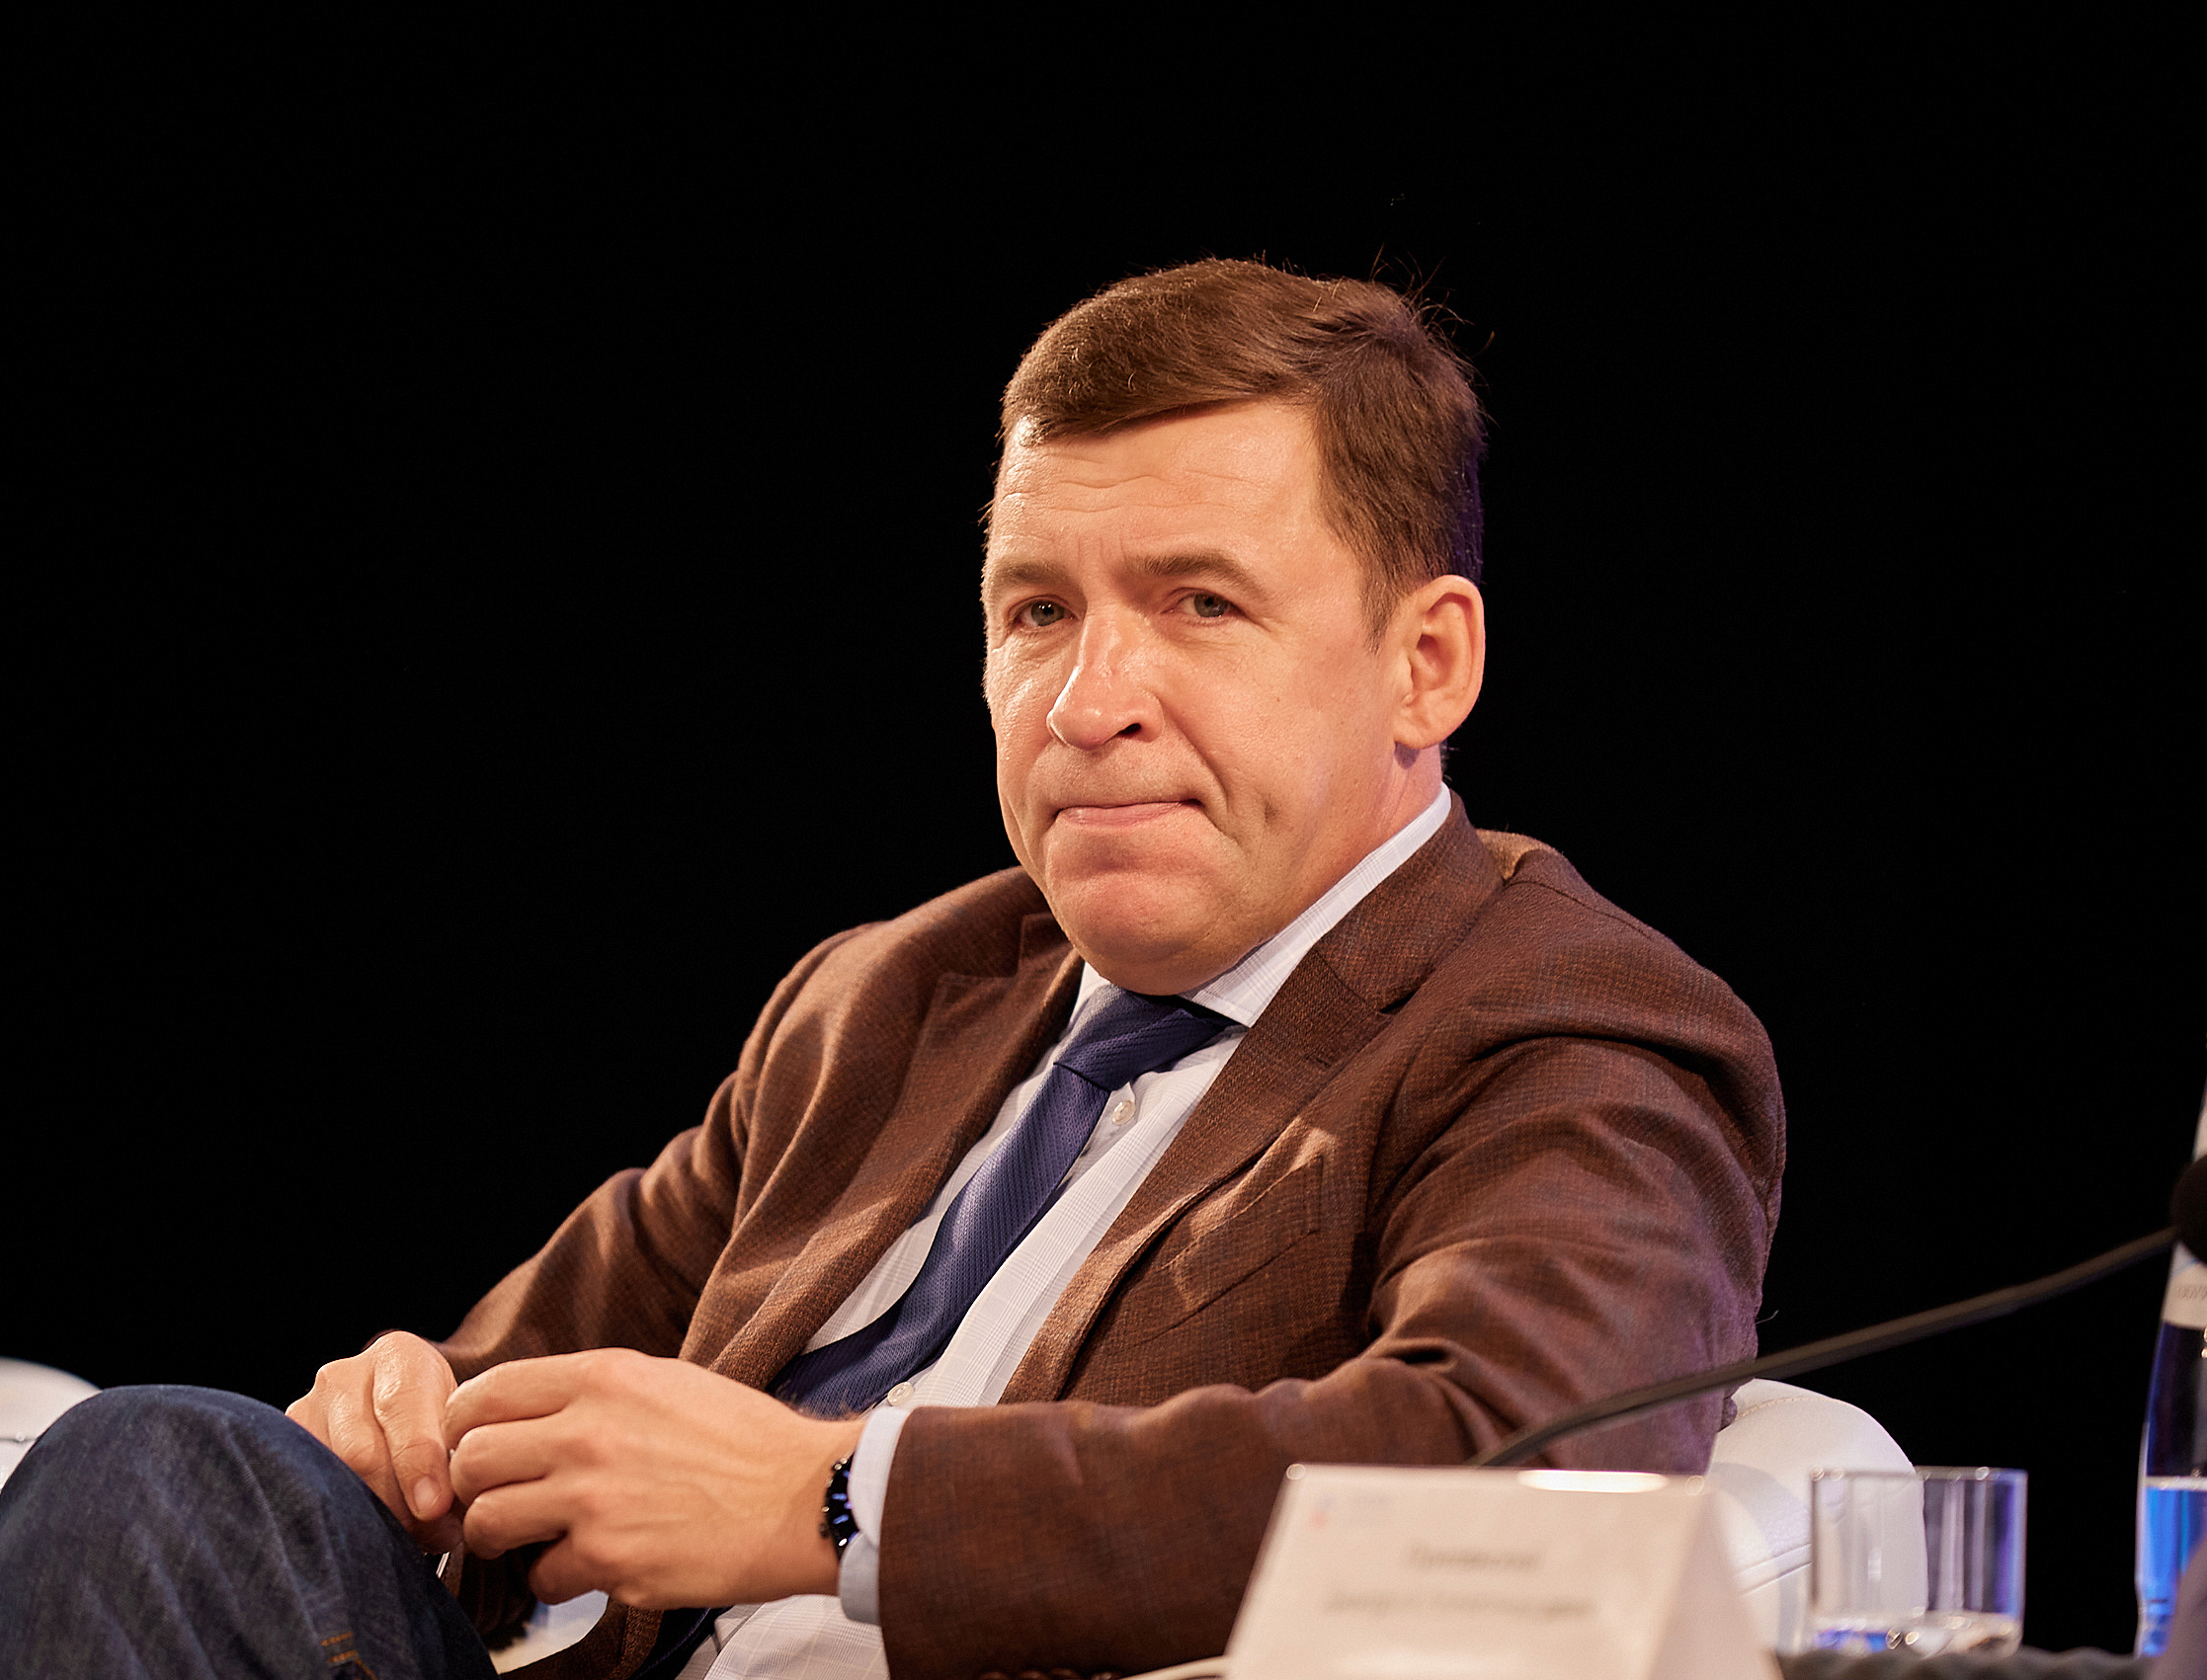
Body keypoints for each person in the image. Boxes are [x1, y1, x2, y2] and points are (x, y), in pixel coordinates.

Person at [0, 259, 1784, 1680]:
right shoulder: (900, 990)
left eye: (1200, 603)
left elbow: (1538, 1461)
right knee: (171, 1472)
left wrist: (840, 1501)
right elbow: (504, 1390)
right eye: (1037, 611)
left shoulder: (1556, 1018)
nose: (1087, 702)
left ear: (1426, 664)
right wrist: (388, 1431)